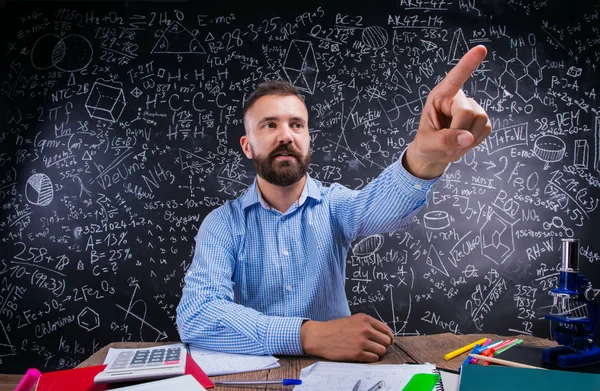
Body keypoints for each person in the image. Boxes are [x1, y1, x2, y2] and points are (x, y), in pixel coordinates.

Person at [176, 45, 491, 362]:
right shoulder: (223, 224)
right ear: (247, 145)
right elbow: (197, 314)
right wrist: (308, 335)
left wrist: (425, 156)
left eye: (296, 124)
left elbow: (383, 206)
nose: (286, 136)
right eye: (269, 125)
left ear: (309, 138)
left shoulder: (335, 206)